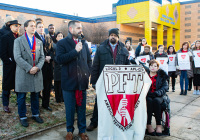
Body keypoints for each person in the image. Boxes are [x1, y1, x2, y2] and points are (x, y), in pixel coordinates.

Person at [86, 28, 129, 131]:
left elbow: (127, 66)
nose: (112, 37)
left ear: (118, 37)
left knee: (117, 103)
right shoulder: (101, 48)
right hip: (104, 80)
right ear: (108, 36)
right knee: (99, 102)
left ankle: (114, 123)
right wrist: (94, 81)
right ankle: (94, 122)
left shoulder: (123, 49)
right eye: (111, 35)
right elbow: (95, 65)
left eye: (115, 35)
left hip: (118, 81)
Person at [56, 20, 92, 140]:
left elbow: (88, 60)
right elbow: (60, 59)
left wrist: (88, 72)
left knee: (81, 108)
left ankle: (82, 131)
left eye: (81, 28)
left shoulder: (84, 43)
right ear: (71, 29)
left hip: (81, 82)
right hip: (69, 82)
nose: (80, 30)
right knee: (70, 109)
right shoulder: (62, 43)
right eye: (78, 28)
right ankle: (69, 131)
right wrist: (75, 51)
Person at [14, 20, 45, 127]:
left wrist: (37, 67)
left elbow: (42, 57)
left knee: (35, 95)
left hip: (36, 71)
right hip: (24, 72)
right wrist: (29, 68)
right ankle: (22, 116)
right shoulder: (18, 41)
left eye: (34, 26)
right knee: (22, 96)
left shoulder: (39, 42)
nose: (33, 28)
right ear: (25, 28)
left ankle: (35, 114)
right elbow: (17, 57)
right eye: (31, 26)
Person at [143, 60, 168, 136]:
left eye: (155, 66)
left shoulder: (161, 76)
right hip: (148, 95)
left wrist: (157, 93)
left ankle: (158, 125)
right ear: (149, 67)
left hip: (158, 95)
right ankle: (149, 125)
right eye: (151, 65)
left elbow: (165, 87)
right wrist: (147, 93)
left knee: (156, 101)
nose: (153, 67)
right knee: (149, 101)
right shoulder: (145, 76)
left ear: (157, 68)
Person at [0, 20, 21, 113]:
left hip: (18, 65)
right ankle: (5, 104)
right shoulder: (5, 37)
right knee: (7, 86)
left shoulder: (19, 37)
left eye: (18, 26)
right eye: (15, 25)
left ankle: (19, 101)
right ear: (10, 27)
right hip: (9, 66)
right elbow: (2, 53)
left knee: (18, 84)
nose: (17, 27)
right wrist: (8, 61)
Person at [35, 21, 54, 111]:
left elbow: (52, 49)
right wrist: (44, 58)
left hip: (48, 66)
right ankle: (36, 107)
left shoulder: (47, 37)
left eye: (42, 27)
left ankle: (45, 104)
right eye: (39, 27)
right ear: (36, 28)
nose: (41, 28)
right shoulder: (34, 37)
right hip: (39, 66)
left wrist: (50, 57)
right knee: (37, 87)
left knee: (47, 86)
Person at [53, 32, 64, 103]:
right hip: (57, 67)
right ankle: (58, 98)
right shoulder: (54, 46)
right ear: (56, 38)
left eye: (61, 36)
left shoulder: (64, 46)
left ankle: (62, 97)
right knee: (57, 83)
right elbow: (54, 56)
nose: (60, 37)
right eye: (59, 36)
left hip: (64, 67)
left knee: (63, 83)